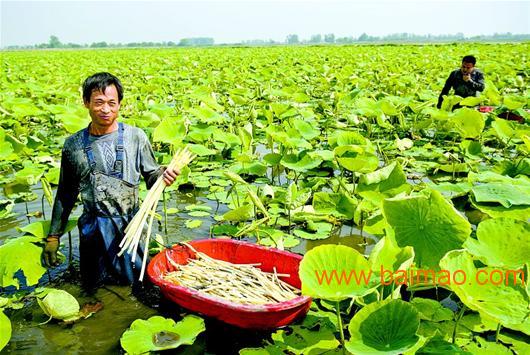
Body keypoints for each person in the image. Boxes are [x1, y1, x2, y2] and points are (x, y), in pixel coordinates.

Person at [43, 72, 179, 291]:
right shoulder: (73, 145)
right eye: (98, 102)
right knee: (93, 287)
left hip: (131, 226)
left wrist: (163, 176)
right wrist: (53, 236)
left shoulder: (136, 137)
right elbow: (66, 193)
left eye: (111, 103)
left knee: (137, 284)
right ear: (86, 102)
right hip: (93, 227)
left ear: (119, 105)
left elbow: (152, 177)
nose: (105, 109)